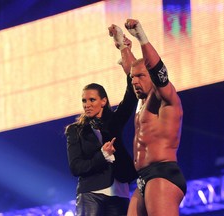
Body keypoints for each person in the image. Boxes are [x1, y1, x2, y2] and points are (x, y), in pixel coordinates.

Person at [115, 19, 186, 216]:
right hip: (144, 178)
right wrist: (122, 46)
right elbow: (134, 68)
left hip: (163, 174)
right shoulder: (143, 100)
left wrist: (141, 37)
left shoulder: (165, 98)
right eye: (132, 78)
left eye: (140, 77)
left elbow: (157, 72)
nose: (134, 81)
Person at [65, 27, 138, 216]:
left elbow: (131, 96)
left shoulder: (114, 121)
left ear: (103, 101)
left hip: (120, 192)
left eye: (92, 100)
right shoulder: (76, 130)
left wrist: (124, 49)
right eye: (84, 101)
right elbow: (76, 167)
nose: (87, 105)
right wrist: (102, 155)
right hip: (91, 194)